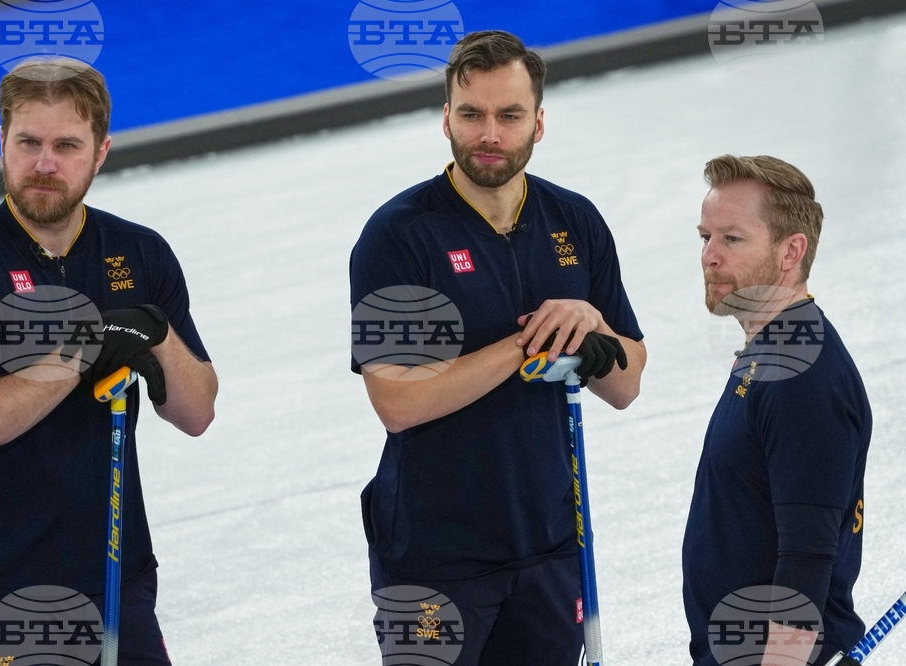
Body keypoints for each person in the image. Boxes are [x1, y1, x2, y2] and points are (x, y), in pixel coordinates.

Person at [349, 30, 646, 664]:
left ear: (538, 124)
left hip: (551, 545)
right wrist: (525, 344)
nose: (489, 134)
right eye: (471, 114)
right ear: (445, 119)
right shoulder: (400, 237)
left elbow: (626, 381)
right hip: (433, 558)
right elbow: (397, 401)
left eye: (509, 115)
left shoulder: (576, 222)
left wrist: (593, 327)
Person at [0, 58, 218, 665]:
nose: (45, 163)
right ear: (1, 142)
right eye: (28, 142)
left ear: (101, 152)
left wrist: (155, 338)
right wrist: (85, 347)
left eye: (66, 145)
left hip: (115, 574)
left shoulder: (139, 254)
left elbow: (197, 411)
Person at [682, 155, 870, 666]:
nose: (709, 256)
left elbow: (806, 559)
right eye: (706, 237)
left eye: (732, 239)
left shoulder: (801, 378)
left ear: (792, 250)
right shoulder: (773, 353)